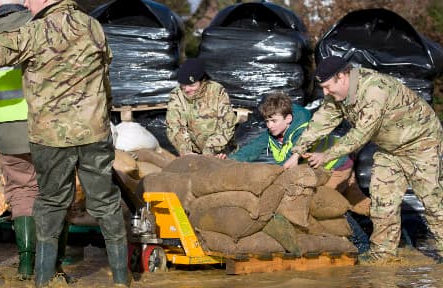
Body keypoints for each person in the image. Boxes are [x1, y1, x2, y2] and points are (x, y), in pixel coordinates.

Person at [0, 0, 130, 286]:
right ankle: (122, 279)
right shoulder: (93, 26)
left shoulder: (35, 31)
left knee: (50, 204)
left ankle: (44, 279)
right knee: (106, 203)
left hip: (51, 137)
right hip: (94, 133)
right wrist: (103, 113)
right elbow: (105, 74)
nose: (26, 3)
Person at [285, 55, 443, 264]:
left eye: (328, 86)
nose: (325, 92)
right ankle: (383, 256)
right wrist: (297, 152)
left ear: (342, 76)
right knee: (382, 203)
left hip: (421, 145)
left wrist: (327, 155)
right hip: (390, 150)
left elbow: (360, 135)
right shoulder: (337, 95)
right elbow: (321, 121)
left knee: (433, 203)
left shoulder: (374, 90)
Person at [217, 92, 370, 252]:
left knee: (322, 204)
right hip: (327, 169)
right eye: (267, 121)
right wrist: (227, 161)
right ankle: (387, 221)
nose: (269, 125)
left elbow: (290, 163)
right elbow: (250, 150)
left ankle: (361, 243)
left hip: (335, 167)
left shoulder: (302, 131)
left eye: (274, 121)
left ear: (288, 119)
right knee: (358, 203)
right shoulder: (273, 133)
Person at [0, 0, 38, 280]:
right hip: (37, 124)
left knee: (20, 189)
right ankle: (52, 260)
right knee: (52, 189)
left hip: (3, 125)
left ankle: (26, 262)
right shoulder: (35, 28)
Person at [166, 58, 237, 156]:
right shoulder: (177, 95)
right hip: (193, 154)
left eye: (192, 85)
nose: (187, 89)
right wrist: (186, 151)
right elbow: (174, 126)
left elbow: (227, 123)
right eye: (183, 85)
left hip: (220, 152)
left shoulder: (217, 91)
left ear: (202, 81)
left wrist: (210, 150)